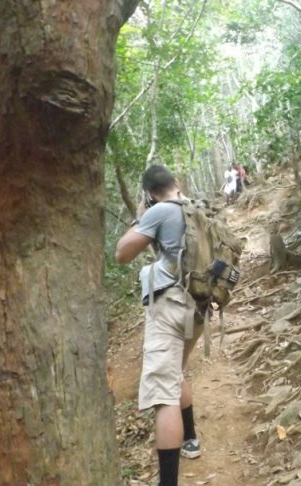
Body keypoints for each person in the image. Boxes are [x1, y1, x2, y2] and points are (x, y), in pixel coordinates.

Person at [115, 165, 206, 486]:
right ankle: (190, 439)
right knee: (175, 373)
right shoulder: (196, 207)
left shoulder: (159, 211)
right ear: (176, 182)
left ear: (150, 194)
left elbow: (122, 253)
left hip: (170, 306)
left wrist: (141, 216)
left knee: (163, 395)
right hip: (199, 305)